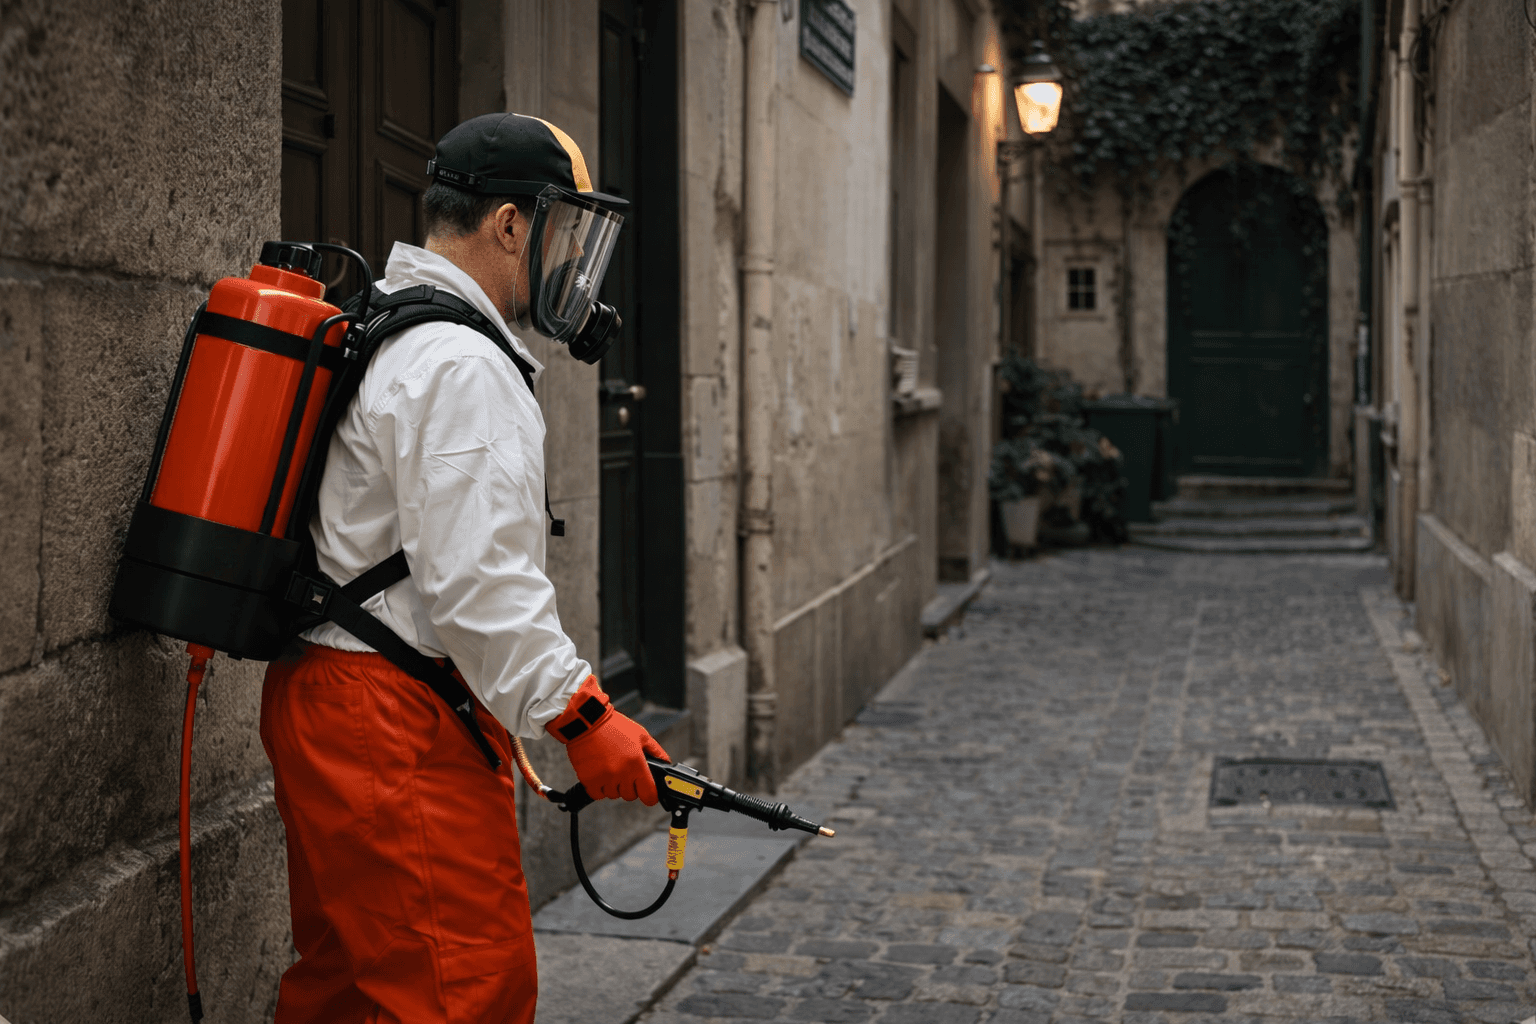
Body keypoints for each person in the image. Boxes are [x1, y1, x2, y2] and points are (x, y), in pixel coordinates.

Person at [259, 112, 668, 1024]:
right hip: (388, 720)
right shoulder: (463, 363)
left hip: (339, 695)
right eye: (565, 231)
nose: (573, 260)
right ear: (511, 225)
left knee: (350, 985)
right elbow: (481, 583)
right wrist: (582, 715)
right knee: (462, 989)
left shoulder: (395, 325)